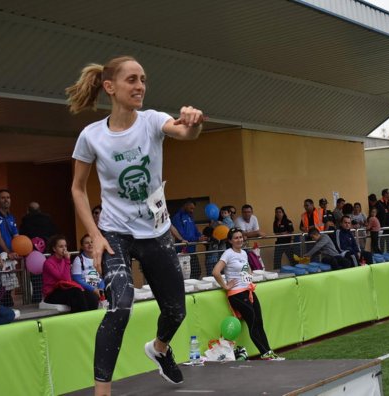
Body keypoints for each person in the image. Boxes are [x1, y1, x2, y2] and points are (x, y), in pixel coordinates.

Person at [68, 55, 204, 392]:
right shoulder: (91, 136)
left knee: (176, 312)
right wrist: (95, 235)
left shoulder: (152, 121)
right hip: (116, 232)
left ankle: (159, 349)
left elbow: (185, 132)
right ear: (110, 87)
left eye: (143, 79)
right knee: (121, 304)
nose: (140, 86)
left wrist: (195, 121)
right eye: (132, 79)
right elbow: (77, 188)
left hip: (155, 231)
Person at [212, 228, 284, 361]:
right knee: (252, 321)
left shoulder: (244, 253)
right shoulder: (228, 253)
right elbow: (216, 272)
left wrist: (249, 277)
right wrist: (225, 286)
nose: (239, 240)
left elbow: (247, 269)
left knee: (259, 321)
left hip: (248, 290)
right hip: (236, 293)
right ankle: (265, 353)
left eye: (240, 237)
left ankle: (269, 351)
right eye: (236, 238)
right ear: (230, 241)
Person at [42, 235, 98, 313]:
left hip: (63, 289)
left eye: (65, 246)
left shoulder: (64, 260)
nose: (64, 248)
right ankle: (82, 317)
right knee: (76, 293)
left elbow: (67, 281)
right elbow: (64, 279)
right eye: (61, 246)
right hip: (51, 294)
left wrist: (66, 261)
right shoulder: (48, 263)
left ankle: (92, 318)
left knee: (91, 296)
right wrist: (67, 260)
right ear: (54, 249)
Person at [171, 199, 207, 279]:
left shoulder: (190, 216)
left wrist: (202, 236)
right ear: (185, 205)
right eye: (191, 208)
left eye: (193, 208)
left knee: (196, 271)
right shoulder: (177, 217)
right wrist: (197, 238)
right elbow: (182, 235)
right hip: (183, 251)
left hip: (192, 250)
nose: (192, 210)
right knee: (185, 274)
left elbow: (195, 230)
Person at [71, 234, 105, 302]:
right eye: (87, 243)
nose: (90, 244)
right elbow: (77, 279)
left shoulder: (99, 258)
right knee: (93, 298)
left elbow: (101, 277)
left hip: (98, 288)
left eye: (92, 242)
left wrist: (101, 288)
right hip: (85, 289)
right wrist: (93, 289)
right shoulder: (78, 259)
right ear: (82, 246)